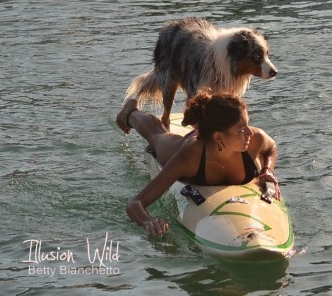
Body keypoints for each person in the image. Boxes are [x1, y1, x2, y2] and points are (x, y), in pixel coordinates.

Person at [117, 91, 281, 236]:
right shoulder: (189, 157)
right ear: (219, 137)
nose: (250, 132)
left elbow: (271, 147)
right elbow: (135, 204)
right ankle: (130, 112)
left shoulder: (255, 140)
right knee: (158, 136)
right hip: (195, 147)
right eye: (241, 129)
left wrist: (267, 170)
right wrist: (147, 221)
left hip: (211, 138)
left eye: (247, 124)